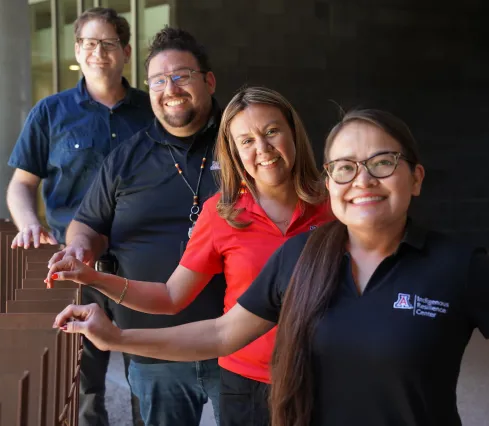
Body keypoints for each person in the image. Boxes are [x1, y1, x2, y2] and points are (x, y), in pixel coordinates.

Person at [52, 109, 489, 426]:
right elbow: (217, 335)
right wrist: (116, 337)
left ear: (416, 177)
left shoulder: (458, 265)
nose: (362, 180)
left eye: (382, 163)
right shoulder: (301, 257)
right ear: (330, 181)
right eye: (345, 167)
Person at [47, 86, 333, 426]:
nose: (263, 149)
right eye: (246, 141)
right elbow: (170, 297)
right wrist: (92, 277)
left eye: (272, 131)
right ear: (234, 152)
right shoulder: (223, 213)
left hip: (326, 377)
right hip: (247, 383)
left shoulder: (335, 205)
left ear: (293, 133)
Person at [47, 27, 226, 426]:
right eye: (159, 80)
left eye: (181, 75)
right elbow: (87, 224)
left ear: (208, 81)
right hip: (152, 344)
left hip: (238, 340)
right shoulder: (126, 158)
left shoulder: (241, 145)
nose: (170, 88)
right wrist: (80, 248)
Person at [6, 8, 153, 425]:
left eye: (108, 43)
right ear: (76, 50)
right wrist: (28, 223)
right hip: (74, 265)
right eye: (89, 43)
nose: (98, 52)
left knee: (145, 372)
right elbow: (20, 185)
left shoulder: (151, 113)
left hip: (141, 265)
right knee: (82, 380)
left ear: (125, 51)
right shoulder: (50, 113)